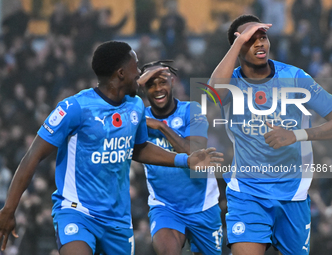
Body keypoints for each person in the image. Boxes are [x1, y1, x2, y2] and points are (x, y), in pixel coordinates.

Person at [0, 41, 223, 255]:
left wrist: (185, 160)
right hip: (77, 211)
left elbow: (138, 148)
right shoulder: (75, 108)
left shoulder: (135, 106)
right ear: (121, 73)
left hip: (118, 220)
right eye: (136, 66)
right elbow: (33, 156)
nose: (139, 74)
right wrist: (9, 209)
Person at [208, 15, 332, 255]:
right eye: (251, 39)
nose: (260, 43)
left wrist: (297, 135)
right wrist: (238, 42)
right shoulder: (231, 82)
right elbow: (212, 93)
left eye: (263, 37)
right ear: (237, 46)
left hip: (293, 194)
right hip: (247, 193)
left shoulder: (296, 77)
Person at [138, 60, 223, 255]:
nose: (158, 89)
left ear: (172, 82)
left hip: (203, 206)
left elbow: (195, 153)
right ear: (143, 89)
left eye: (162, 82)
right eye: (151, 84)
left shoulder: (191, 110)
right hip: (165, 206)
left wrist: (161, 126)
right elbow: (113, 108)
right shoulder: (138, 117)